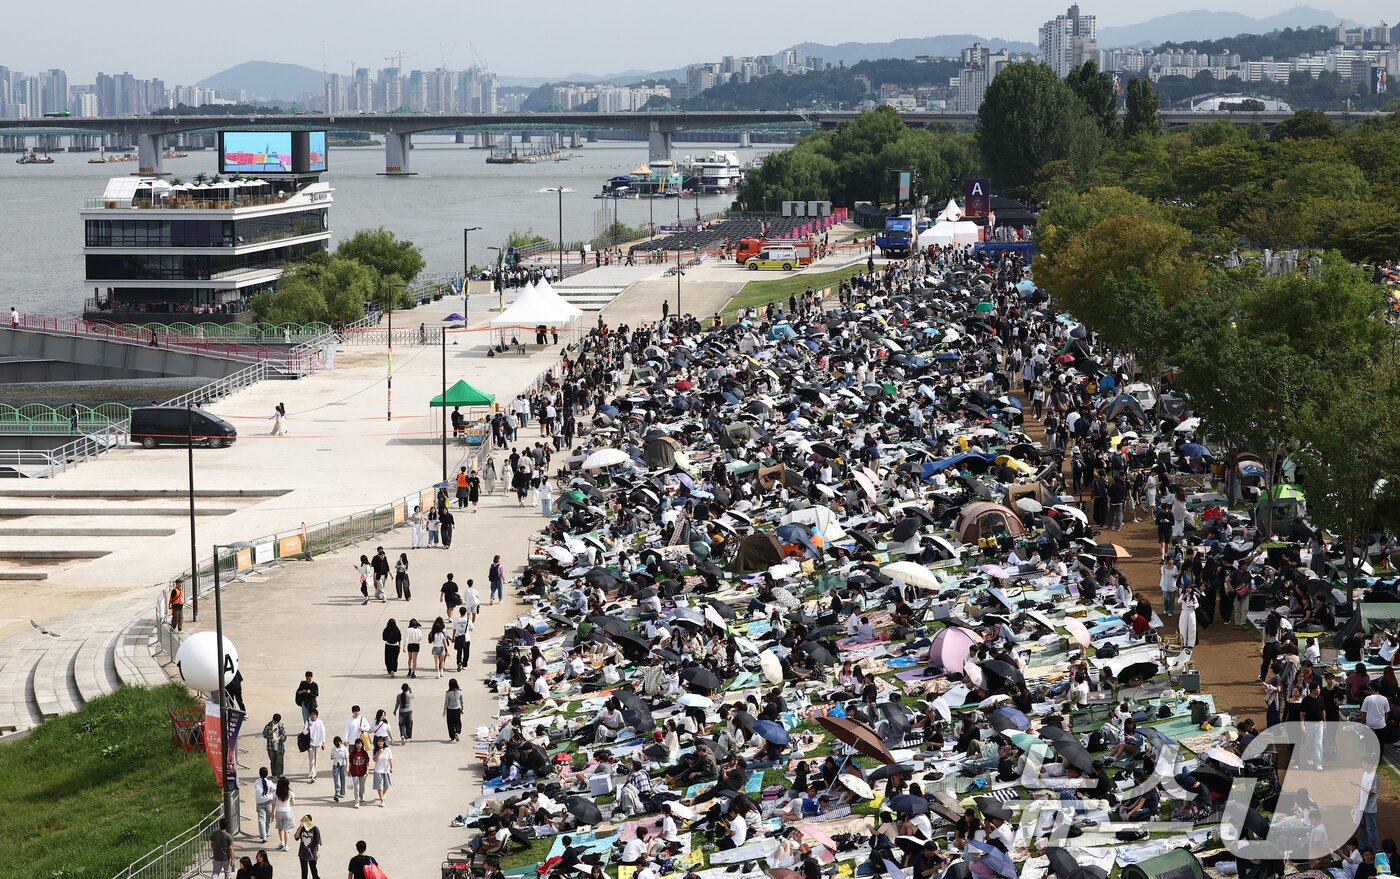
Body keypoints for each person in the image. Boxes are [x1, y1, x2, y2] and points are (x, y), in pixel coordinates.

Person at [254, 766, 277, 843]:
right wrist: (271, 795)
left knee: (261, 820)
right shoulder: (269, 782)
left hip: (260, 803)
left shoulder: (256, 782)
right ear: (267, 774)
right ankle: (266, 832)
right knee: (268, 819)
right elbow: (275, 790)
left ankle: (263, 835)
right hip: (268, 803)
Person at [273, 776, 296, 851]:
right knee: (287, 829)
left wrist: (272, 813)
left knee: (280, 828)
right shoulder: (290, 793)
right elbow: (293, 803)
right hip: (287, 812)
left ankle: (282, 842)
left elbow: (273, 804)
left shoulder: (276, 793)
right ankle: (286, 846)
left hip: (279, 812)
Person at [304, 708, 326, 782]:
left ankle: (314, 773)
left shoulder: (320, 722)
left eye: (314, 715)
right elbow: (304, 732)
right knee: (311, 760)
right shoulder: (308, 722)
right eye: (311, 715)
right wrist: (308, 727)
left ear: (316, 716)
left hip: (318, 743)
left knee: (316, 760)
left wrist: (323, 742)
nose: (312, 716)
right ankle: (312, 774)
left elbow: (323, 732)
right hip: (310, 744)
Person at [263, 713, 287, 779]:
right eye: (274, 721)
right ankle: (274, 774)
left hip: (279, 747)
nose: (275, 722)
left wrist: (279, 739)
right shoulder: (268, 725)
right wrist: (270, 732)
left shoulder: (281, 725)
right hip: (271, 747)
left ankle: (280, 775)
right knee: (273, 761)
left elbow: (284, 736)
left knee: (279, 761)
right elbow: (264, 735)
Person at [347, 739, 370, 807]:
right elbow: (350, 763)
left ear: (362, 744)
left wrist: (367, 771)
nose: (358, 745)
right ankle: (357, 801)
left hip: (363, 772)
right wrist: (349, 771)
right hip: (355, 772)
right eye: (357, 744)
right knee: (356, 787)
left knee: (362, 786)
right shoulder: (352, 753)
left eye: (360, 744)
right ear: (355, 744)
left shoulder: (364, 753)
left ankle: (361, 796)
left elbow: (367, 762)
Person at [372, 742, 394, 807]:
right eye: (378, 741)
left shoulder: (388, 749)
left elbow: (390, 759)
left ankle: (382, 794)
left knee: (387, 786)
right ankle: (382, 801)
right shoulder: (375, 750)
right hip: (378, 770)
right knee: (379, 786)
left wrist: (391, 767)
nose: (379, 743)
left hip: (386, 770)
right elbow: (374, 760)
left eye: (381, 741)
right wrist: (379, 753)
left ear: (383, 742)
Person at [444, 677, 465, 742]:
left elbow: (446, 702)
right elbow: (462, 701)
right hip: (457, 709)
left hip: (450, 709)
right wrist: (462, 708)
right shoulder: (460, 692)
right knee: (458, 722)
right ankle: (457, 732)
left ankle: (452, 736)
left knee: (450, 723)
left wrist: (444, 710)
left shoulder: (448, 693)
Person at [453, 607, 473, 671]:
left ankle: (459, 662)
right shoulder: (468, 620)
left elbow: (454, 629)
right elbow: (471, 628)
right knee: (466, 652)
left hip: (458, 637)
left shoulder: (456, 620)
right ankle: (465, 665)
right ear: (465, 612)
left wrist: (453, 637)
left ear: (460, 612)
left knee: (459, 652)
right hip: (466, 638)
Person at [329, 736, 348, 803]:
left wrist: (347, 768)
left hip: (343, 765)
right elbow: (331, 757)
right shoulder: (333, 749)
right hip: (335, 765)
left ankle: (342, 793)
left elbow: (346, 758)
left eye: (337, 744)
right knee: (336, 779)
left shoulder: (344, 749)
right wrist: (332, 757)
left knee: (342, 779)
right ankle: (337, 793)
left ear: (340, 742)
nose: (337, 746)